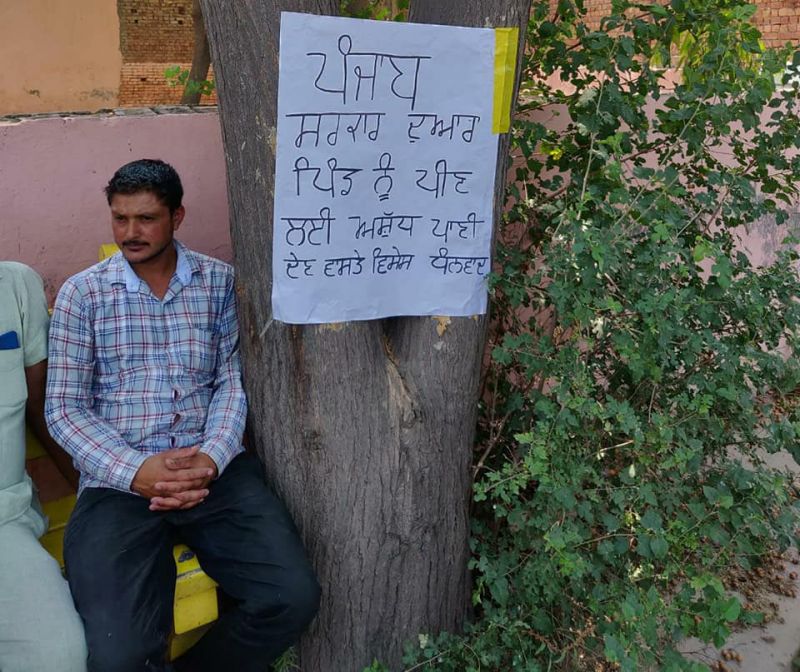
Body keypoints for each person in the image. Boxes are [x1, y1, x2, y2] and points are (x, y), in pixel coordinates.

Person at [45, 159, 320, 672]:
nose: (131, 232)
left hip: (212, 472)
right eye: (120, 218)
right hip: (116, 484)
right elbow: (64, 410)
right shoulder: (83, 295)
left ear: (178, 216)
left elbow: (232, 384)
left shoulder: (220, 285)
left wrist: (212, 458)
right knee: (118, 655)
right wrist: (136, 471)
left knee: (290, 597)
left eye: (146, 218)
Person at [0, 261, 87, 672]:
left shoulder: (16, 285)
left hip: (5, 521)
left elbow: (43, 410)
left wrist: (92, 495)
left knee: (60, 655)